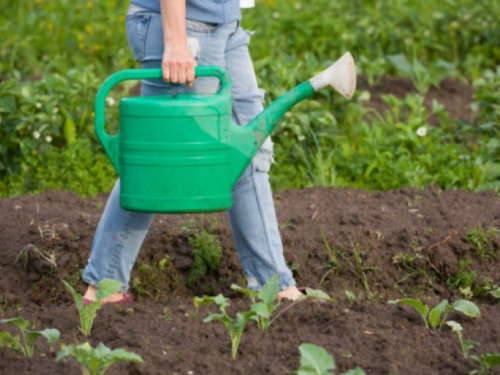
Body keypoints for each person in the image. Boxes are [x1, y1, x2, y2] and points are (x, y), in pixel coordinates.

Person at [82, 0, 303, 304]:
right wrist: (174, 41)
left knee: (249, 148)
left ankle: (274, 286)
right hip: (186, 26)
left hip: (223, 22)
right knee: (156, 160)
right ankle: (104, 286)